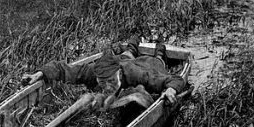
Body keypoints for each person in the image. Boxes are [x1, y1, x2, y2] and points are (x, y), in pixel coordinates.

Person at [21, 36, 185, 111]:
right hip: (122, 59)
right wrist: (39, 73)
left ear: (118, 76)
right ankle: (135, 40)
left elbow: (174, 79)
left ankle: (159, 46)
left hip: (144, 65)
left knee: (157, 60)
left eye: (109, 82)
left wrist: (171, 89)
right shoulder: (93, 72)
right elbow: (62, 69)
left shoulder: (139, 75)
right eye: (102, 82)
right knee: (128, 52)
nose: (105, 86)